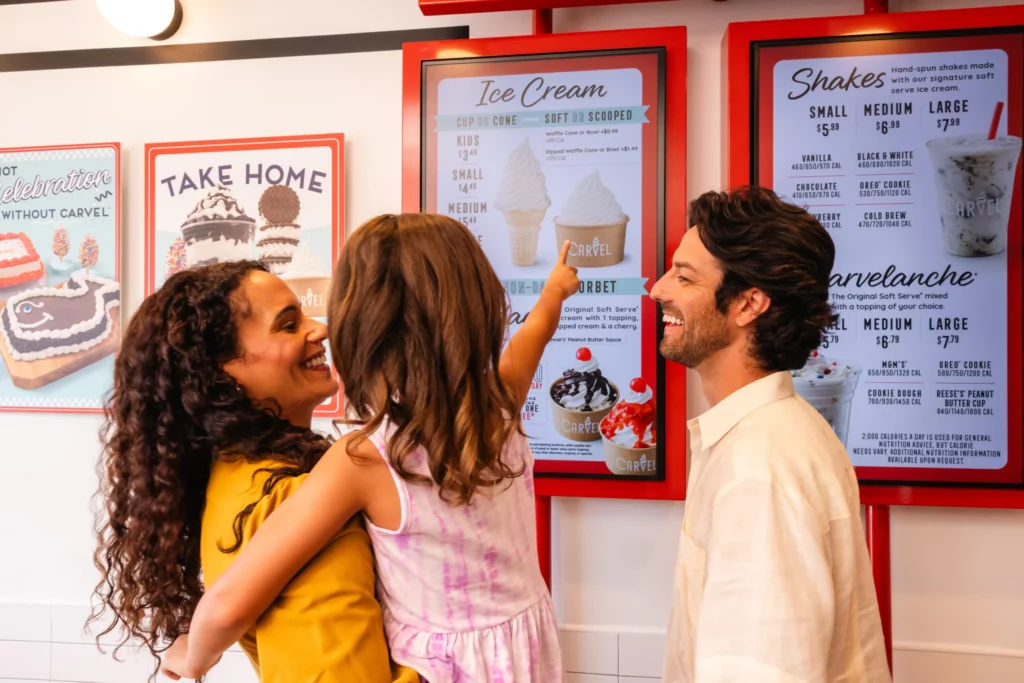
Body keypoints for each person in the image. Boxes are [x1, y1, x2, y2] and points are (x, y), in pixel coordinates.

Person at [160, 214, 578, 682]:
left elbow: (231, 601)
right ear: (480, 311)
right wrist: (555, 291)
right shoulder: (499, 404)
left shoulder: (365, 459)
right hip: (526, 651)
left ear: (361, 330)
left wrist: (192, 657)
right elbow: (535, 333)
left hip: (444, 670)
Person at [90, 260, 418, 683]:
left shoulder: (237, 475)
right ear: (223, 373)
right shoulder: (288, 497)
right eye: (288, 325)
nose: (318, 330)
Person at [651, 186, 891, 683]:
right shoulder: (776, 434)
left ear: (748, 304)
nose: (658, 288)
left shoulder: (758, 471)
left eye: (684, 276)